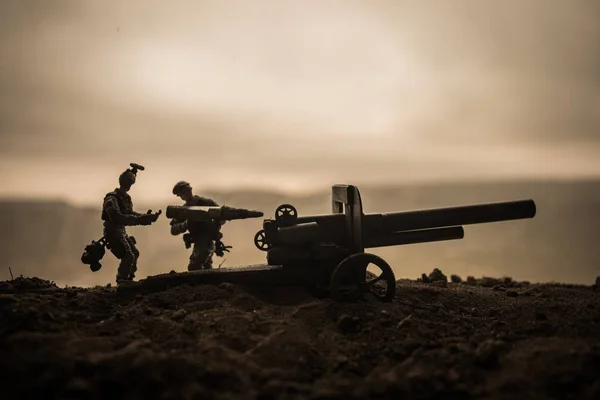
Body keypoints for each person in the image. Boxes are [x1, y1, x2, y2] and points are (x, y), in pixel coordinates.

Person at [101, 163, 160, 283]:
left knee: (134, 253)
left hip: (121, 231)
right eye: (129, 181)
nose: (130, 185)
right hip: (112, 231)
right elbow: (118, 217)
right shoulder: (111, 198)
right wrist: (140, 220)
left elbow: (129, 213)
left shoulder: (125, 198)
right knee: (128, 256)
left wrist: (146, 217)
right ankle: (122, 281)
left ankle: (129, 279)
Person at [170, 181, 225, 270]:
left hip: (207, 239)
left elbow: (222, 216)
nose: (186, 194)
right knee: (202, 265)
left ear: (191, 189)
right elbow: (173, 229)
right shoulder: (183, 210)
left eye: (187, 190)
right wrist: (185, 224)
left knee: (196, 264)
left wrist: (214, 224)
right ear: (180, 196)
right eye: (183, 193)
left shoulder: (205, 202)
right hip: (197, 240)